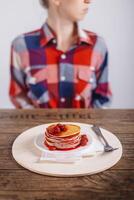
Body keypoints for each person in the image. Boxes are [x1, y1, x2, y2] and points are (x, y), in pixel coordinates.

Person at [9, 0, 112, 108]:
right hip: (40, 125)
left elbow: (103, 97)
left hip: (83, 125)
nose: (88, 1)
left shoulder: (97, 45)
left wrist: (85, 124)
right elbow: (19, 97)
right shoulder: (22, 45)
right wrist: (39, 124)